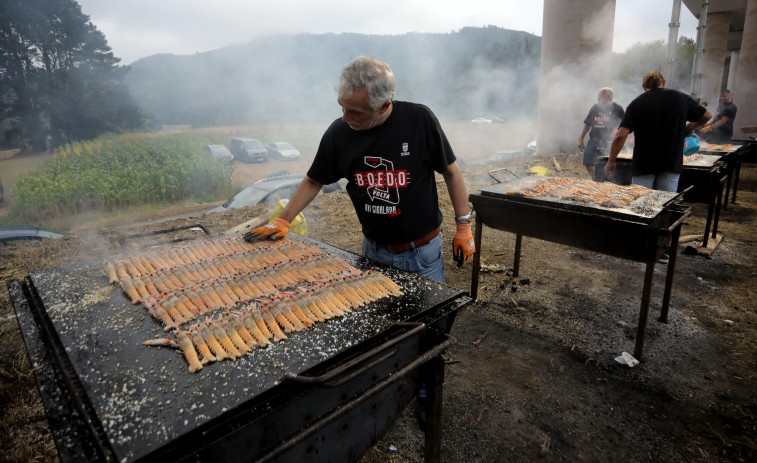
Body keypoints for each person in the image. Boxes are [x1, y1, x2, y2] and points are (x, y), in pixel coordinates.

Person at [244, 56, 475, 283]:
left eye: (355, 112)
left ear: (384, 106)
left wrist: (463, 227)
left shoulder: (419, 120)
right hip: (374, 251)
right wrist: (284, 221)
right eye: (342, 107)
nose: (345, 117)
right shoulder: (339, 133)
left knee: (431, 319)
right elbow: (314, 180)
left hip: (422, 254)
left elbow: (451, 171)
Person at [605, 71, 711, 192]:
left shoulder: (637, 103)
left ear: (644, 87)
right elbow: (707, 116)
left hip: (644, 164)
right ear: (663, 83)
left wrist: (611, 160)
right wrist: (690, 127)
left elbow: (621, 135)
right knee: (665, 203)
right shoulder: (680, 97)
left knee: (641, 202)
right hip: (671, 162)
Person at [577, 87, 624, 180]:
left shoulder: (617, 108)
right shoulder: (595, 108)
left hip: (608, 142)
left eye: (600, 96)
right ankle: (596, 179)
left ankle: (604, 182)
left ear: (608, 97)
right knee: (587, 161)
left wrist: (616, 129)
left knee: (603, 164)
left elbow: (624, 125)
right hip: (594, 139)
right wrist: (581, 138)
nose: (598, 98)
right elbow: (587, 124)